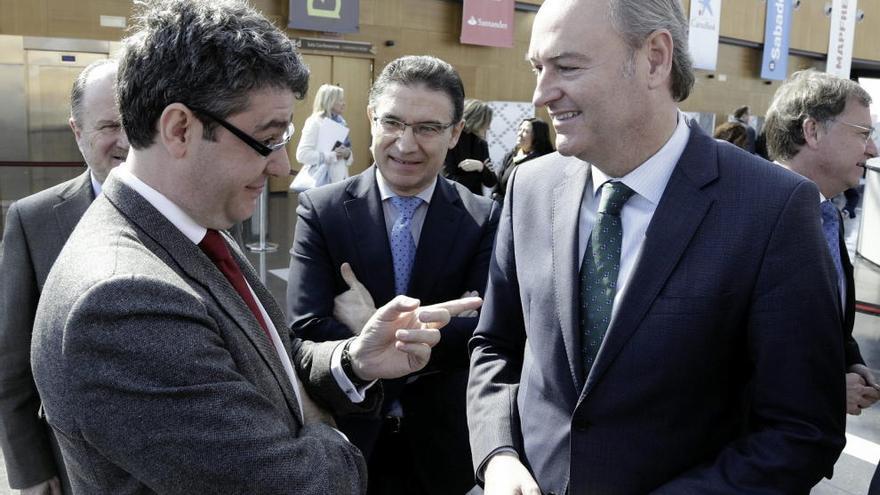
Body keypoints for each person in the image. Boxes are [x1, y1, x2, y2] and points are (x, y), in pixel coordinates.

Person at [28, 1, 479, 493]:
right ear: (181, 128)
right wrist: (329, 434)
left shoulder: (197, 229)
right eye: (267, 138)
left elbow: (272, 362)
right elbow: (291, 483)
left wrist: (353, 362)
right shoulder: (123, 301)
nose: (282, 166)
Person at [466, 0, 846, 493]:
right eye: (538, 68)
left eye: (567, 66)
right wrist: (498, 456)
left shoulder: (770, 208)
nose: (541, 94)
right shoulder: (529, 187)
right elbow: (495, 346)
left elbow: (802, 430)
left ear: (655, 58)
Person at [287, 55, 499, 495]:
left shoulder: (484, 219)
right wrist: (428, 329)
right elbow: (305, 329)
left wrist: (371, 327)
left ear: (455, 132)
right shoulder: (322, 211)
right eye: (393, 123)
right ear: (371, 119)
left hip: (444, 449)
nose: (405, 144)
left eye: (427, 128)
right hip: (348, 440)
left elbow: (482, 330)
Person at [0, 58, 128, 495]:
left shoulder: (192, 211)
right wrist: (29, 469)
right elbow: (10, 362)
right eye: (109, 126)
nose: (126, 141)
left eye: (134, 121)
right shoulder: (32, 221)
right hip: (75, 467)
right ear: (77, 131)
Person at [763, 69, 880, 416]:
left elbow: (824, 322)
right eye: (864, 134)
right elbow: (712, 356)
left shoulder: (826, 215)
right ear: (812, 131)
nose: (872, 150)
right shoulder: (743, 219)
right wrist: (822, 388)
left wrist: (849, 362)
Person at [291, 83, 353, 190]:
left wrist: (348, 154)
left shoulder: (341, 122)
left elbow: (347, 156)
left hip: (340, 183)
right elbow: (302, 155)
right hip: (320, 185)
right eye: (340, 100)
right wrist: (331, 156)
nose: (343, 103)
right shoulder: (314, 122)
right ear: (329, 101)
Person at [442, 99, 498, 195]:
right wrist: (478, 172)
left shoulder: (481, 144)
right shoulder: (452, 140)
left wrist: (480, 166)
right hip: (454, 200)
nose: (488, 128)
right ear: (477, 120)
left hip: (475, 202)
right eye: (487, 122)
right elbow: (448, 179)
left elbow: (491, 181)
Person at [493, 117, 554, 202]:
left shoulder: (544, 161)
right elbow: (497, 186)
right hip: (503, 208)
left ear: (537, 136)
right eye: (520, 129)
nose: (520, 134)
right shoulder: (510, 156)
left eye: (526, 131)